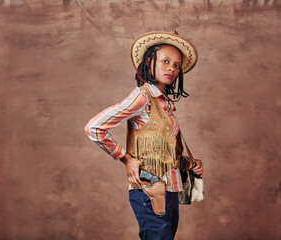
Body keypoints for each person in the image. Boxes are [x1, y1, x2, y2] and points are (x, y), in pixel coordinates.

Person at [84, 29, 203, 240]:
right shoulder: (142, 96)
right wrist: (124, 157)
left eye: (176, 65)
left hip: (170, 189)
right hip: (150, 189)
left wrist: (189, 163)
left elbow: (162, 149)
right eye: (165, 61)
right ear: (149, 62)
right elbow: (95, 127)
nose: (172, 69)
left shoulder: (164, 103)